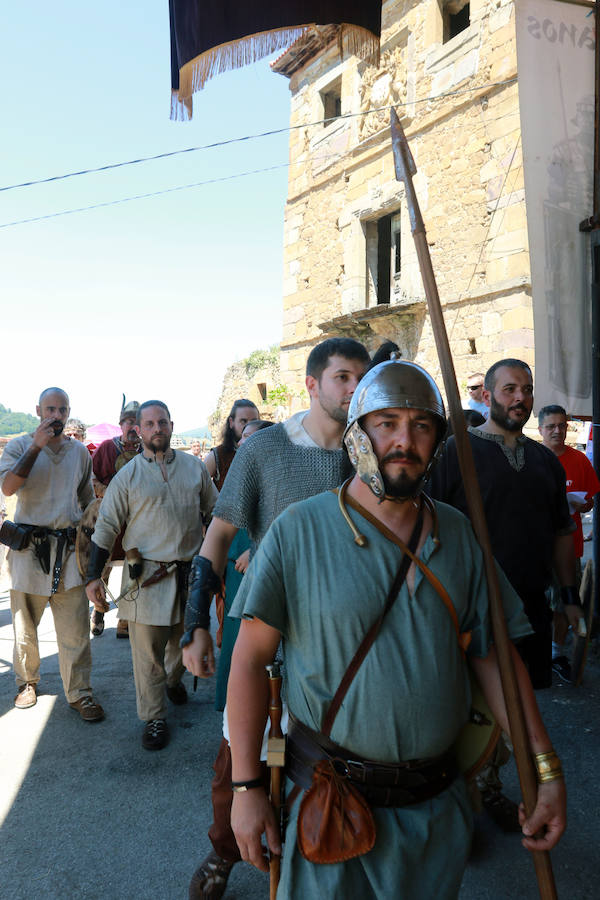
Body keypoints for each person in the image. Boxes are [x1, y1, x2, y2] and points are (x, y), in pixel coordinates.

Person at [227, 359, 566, 899]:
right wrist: (246, 788)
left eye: (421, 425)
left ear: (437, 441)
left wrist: (545, 767)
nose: (403, 440)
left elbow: (495, 658)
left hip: (435, 812)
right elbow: (249, 661)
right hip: (331, 810)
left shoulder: (459, 535)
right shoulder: (300, 530)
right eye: (386, 423)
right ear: (359, 433)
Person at [183, 336, 370, 900]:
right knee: (238, 763)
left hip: (343, 641)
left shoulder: (370, 455)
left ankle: (309, 857)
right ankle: (224, 851)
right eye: (342, 377)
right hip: (270, 639)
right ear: (312, 384)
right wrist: (196, 623)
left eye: (361, 378)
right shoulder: (265, 450)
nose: (354, 388)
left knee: (325, 767)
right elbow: (217, 538)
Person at [428, 358, 578, 829]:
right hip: (470, 607)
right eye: (510, 389)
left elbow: (560, 533)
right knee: (469, 707)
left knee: (516, 709)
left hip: (530, 605)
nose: (520, 398)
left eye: (527, 389)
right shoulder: (456, 455)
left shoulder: (543, 462)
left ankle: (489, 786)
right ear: (489, 395)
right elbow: (429, 527)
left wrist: (569, 595)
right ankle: (463, 799)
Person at [85, 400, 217, 750]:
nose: (157, 428)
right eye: (150, 423)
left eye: (163, 422)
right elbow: (106, 527)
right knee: (147, 657)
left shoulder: (193, 469)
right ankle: (155, 718)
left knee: (182, 644)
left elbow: (216, 513)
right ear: (139, 430)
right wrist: (92, 576)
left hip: (189, 574)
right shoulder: (127, 477)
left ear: (171, 426)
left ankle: (175, 681)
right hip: (144, 577)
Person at [0, 387, 103, 720]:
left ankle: (80, 693)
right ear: (38, 411)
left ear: (68, 411)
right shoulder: (18, 446)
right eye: (50, 409)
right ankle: (27, 683)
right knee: (25, 627)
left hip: (69, 552)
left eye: (61, 410)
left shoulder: (79, 453)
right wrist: (37, 445)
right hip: (30, 551)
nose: (56, 416)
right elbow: (8, 487)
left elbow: (86, 498)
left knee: (75, 630)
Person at [538, 403, 600, 681]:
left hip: (570, 547)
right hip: (535, 546)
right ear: (540, 429)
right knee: (535, 602)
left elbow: (590, 501)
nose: (557, 431)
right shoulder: (531, 459)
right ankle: (535, 652)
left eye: (562, 425)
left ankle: (556, 653)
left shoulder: (579, 461)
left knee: (565, 602)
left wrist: (582, 504)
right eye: (551, 426)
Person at [90, 397, 142, 638]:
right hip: (112, 519)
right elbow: (92, 480)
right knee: (104, 569)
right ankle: (99, 611)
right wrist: (110, 495)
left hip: (138, 521)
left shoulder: (147, 451)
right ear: (121, 424)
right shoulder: (107, 449)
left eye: (137, 422)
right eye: (129, 422)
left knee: (134, 570)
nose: (133, 427)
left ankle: (125, 621)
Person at [204, 399, 259, 490]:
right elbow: (196, 486)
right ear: (231, 422)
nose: (248, 426)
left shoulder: (268, 453)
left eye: (254, 421)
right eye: (243, 421)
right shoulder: (218, 455)